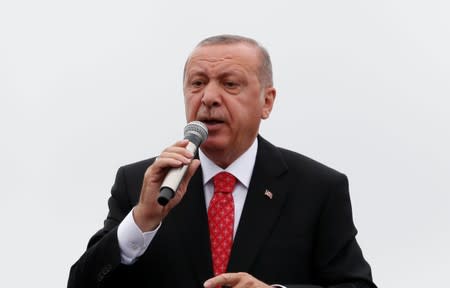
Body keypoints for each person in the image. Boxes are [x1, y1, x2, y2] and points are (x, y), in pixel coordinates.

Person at [68, 35, 377, 288]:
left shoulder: (318, 188)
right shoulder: (142, 183)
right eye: (197, 83)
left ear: (266, 101)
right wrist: (142, 219)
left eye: (230, 84)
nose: (209, 98)